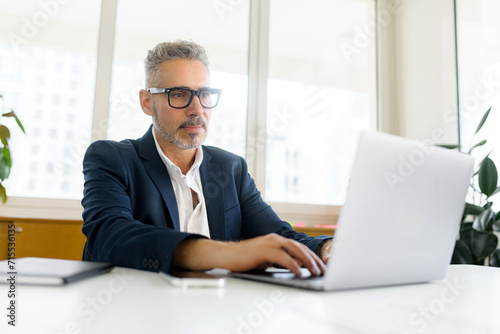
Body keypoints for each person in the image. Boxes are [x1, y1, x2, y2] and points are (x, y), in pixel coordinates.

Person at [81, 40, 332, 277]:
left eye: (204, 94)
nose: (197, 109)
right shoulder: (112, 158)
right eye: (179, 94)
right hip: (134, 312)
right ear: (147, 102)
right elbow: (109, 237)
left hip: (215, 311)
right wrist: (223, 254)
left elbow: (278, 234)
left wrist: (325, 248)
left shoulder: (231, 168)